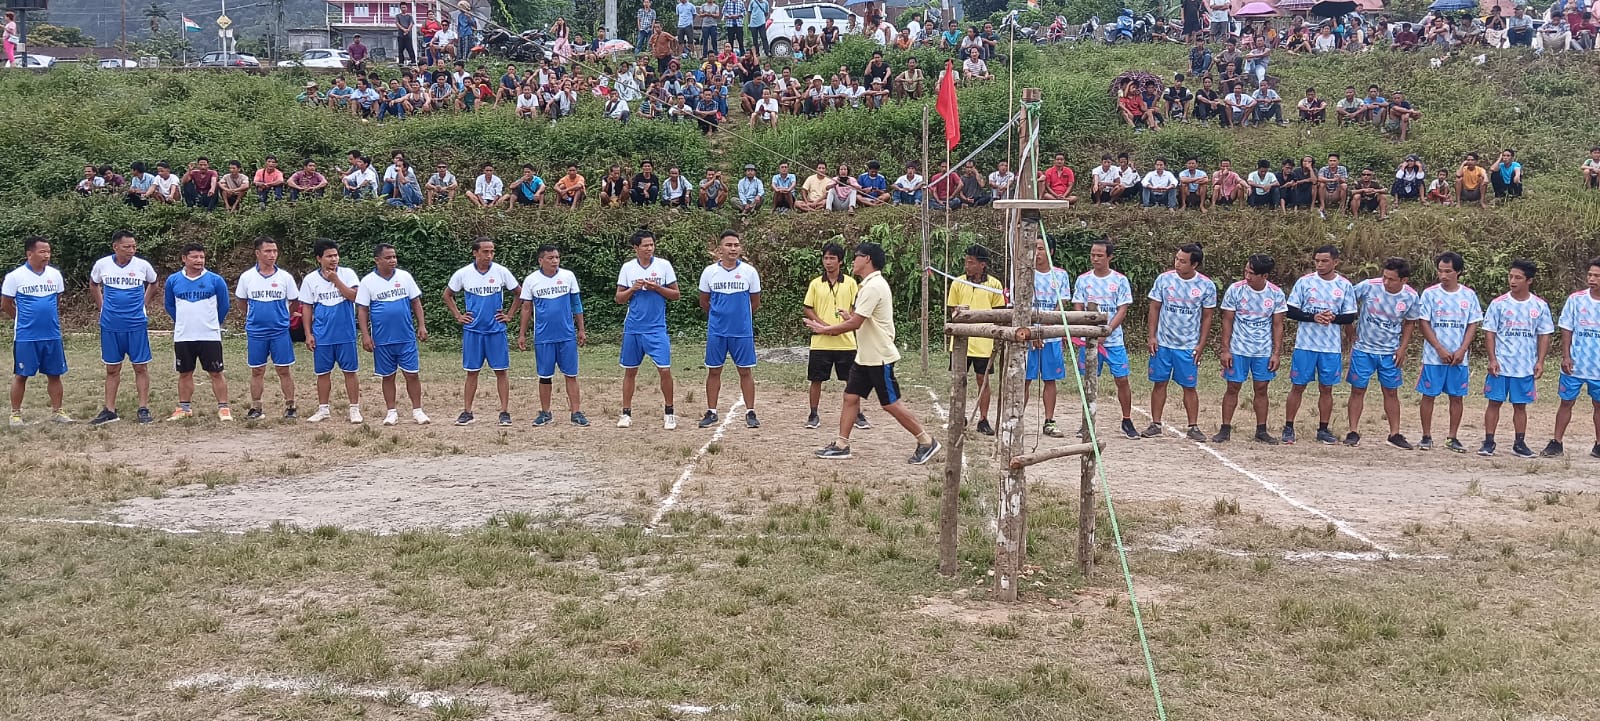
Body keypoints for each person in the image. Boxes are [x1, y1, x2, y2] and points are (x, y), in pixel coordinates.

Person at [810, 243, 940, 464]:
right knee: (850, 397)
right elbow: (859, 319)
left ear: (867, 259)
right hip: (865, 357)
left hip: (879, 356)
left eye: (856, 257)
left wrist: (824, 330)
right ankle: (842, 445)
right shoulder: (868, 285)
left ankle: (926, 441)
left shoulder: (873, 286)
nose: (852, 261)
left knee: (890, 403)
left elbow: (856, 324)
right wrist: (846, 317)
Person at [1342, 258, 1421, 449]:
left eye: (1391, 279)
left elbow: (1410, 322)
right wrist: (1349, 329)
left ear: (1404, 280)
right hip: (1363, 349)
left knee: (1391, 392)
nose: (1386, 282)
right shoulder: (1368, 286)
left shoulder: (1411, 296)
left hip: (1389, 352)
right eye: (1384, 277)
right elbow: (1347, 302)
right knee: (1358, 389)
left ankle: (1394, 434)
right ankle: (1353, 431)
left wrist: (1402, 348)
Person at [1140, 244, 1216, 440]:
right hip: (1163, 343)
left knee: (1189, 386)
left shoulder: (1206, 286)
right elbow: (1154, 308)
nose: (1177, 263)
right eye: (1176, 259)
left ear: (1195, 264)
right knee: (1159, 383)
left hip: (1188, 345)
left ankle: (1193, 426)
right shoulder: (1164, 280)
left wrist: (1200, 344)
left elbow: (1207, 317)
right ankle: (1155, 424)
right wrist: (1152, 336)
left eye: (1183, 261)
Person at [1479, 260, 1554, 458]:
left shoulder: (1539, 306)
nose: (1512, 281)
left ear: (1529, 280)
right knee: (1494, 402)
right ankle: (1488, 442)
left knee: (1520, 405)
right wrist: (1492, 358)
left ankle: (1519, 443)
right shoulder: (1499, 304)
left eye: (1518, 277)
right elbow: (1490, 333)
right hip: (1501, 365)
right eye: (1511, 276)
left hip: (1524, 366)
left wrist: (1540, 361)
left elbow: (1544, 334)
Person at [1282, 246, 1356, 445]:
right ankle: (1288, 427)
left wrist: (1334, 317)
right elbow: (1290, 310)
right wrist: (1312, 317)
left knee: (1327, 388)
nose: (1320, 265)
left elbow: (1350, 315)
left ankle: (1323, 429)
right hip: (1305, 345)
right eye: (1317, 261)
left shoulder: (1344, 286)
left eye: (1324, 261)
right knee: (1298, 386)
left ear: (1335, 262)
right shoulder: (1305, 282)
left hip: (1330, 347)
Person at [509, 245, 588, 428]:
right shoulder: (531, 280)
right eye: (551, 258)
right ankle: (545, 413)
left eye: (557, 257)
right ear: (541, 260)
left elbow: (576, 304)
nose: (555, 261)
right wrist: (522, 334)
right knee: (545, 376)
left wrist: (581, 329)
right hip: (543, 337)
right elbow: (526, 308)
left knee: (571, 374)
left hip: (566, 336)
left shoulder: (568, 276)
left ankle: (576, 412)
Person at [444, 238, 519, 427]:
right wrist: (458, 316)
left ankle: (504, 412)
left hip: (496, 330)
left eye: (492, 251)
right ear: (475, 253)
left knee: (501, 371)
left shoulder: (501, 271)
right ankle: (467, 412)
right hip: (473, 331)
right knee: (472, 372)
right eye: (485, 251)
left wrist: (509, 315)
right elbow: (447, 295)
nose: (489, 255)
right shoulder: (463, 273)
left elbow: (520, 293)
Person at [88, 231, 160, 426]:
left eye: (134, 246)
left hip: (136, 324)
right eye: (127, 247)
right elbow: (93, 284)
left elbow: (154, 283)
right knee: (112, 368)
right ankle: (110, 410)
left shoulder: (142, 266)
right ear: (115, 247)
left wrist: (143, 305)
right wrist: (102, 306)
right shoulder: (102, 264)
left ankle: (143, 408)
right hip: (111, 325)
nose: (131, 250)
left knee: (140, 367)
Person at [1213, 254, 1286, 444]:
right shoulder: (1235, 290)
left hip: (1262, 350)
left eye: (1252, 273)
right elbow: (1227, 321)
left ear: (1264, 276)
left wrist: (1276, 353)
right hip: (1238, 349)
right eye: (1245, 271)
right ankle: (1225, 428)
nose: (1247, 276)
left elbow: (1278, 325)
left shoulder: (1276, 294)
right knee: (1232, 387)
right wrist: (1225, 349)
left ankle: (1261, 430)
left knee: (1261, 389)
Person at [1415, 251, 1482, 453]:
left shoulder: (1468, 295)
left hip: (1458, 358)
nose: (1443, 275)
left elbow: (1472, 324)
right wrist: (1439, 348)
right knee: (1428, 395)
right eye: (1440, 271)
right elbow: (1423, 323)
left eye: (1448, 271)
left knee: (1456, 396)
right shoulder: (1430, 294)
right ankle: (1426, 436)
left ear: (1458, 272)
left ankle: (1452, 437)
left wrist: (1462, 349)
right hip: (1434, 357)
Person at [356, 244, 430, 426]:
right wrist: (365, 335)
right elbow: (363, 310)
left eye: (394, 257)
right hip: (382, 339)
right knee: (388, 376)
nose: (393, 261)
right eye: (388, 258)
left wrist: (421, 325)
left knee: (412, 375)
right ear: (377, 260)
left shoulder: (405, 277)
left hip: (406, 337)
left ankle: (418, 411)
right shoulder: (368, 281)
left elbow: (416, 302)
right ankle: (391, 412)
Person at [1073, 240, 1138, 439]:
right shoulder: (1083, 280)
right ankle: (1086, 422)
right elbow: (1078, 306)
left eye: (1100, 255)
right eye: (1093, 254)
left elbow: (1122, 309)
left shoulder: (1120, 280)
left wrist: (1107, 331)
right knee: (1088, 381)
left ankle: (1127, 420)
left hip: (1113, 341)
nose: (1095, 259)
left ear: (1109, 257)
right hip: (1089, 340)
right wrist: (1088, 330)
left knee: (1122, 379)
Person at [616, 229, 680, 430]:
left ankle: (669, 413)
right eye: (645, 245)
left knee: (664, 370)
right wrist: (633, 289)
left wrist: (657, 288)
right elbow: (619, 298)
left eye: (652, 245)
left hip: (656, 328)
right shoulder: (628, 268)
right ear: (636, 248)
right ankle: (626, 413)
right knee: (630, 371)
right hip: (633, 328)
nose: (649, 248)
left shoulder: (664, 266)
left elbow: (676, 294)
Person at [697, 231, 761, 429]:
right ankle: (712, 411)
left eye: (736, 245)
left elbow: (755, 302)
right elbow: (704, 301)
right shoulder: (709, 272)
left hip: (742, 331)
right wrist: (720, 316)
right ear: (719, 250)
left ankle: (750, 411)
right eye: (729, 245)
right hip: (717, 331)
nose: (733, 248)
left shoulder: (750, 272)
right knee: (714, 370)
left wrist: (739, 317)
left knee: (745, 371)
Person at [4, 237, 71, 426]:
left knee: (55, 374)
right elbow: (6, 304)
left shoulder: (55, 275)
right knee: (21, 375)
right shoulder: (15, 277)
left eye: (48, 251)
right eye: (42, 252)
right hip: (26, 336)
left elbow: (56, 300)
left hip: (52, 334)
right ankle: (15, 414)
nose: (47, 255)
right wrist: (22, 319)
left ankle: (58, 411)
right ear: (29, 254)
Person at [163, 243, 232, 422]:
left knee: (216, 372)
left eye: (202, 257)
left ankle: (224, 408)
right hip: (183, 335)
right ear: (184, 258)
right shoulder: (173, 280)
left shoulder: (215, 280)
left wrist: (213, 324)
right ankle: (184, 408)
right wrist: (182, 322)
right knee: (185, 372)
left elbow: (224, 306)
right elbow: (170, 305)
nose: (199, 261)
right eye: (194, 257)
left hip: (209, 335)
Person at [804, 243, 870, 430]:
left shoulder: (850, 283)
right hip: (820, 342)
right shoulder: (816, 283)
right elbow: (807, 308)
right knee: (816, 379)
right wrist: (822, 326)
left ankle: (857, 413)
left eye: (832, 258)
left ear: (840, 261)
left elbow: (857, 308)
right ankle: (813, 413)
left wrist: (843, 325)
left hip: (846, 342)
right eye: (825, 258)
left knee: (852, 380)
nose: (828, 262)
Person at [234, 236, 299, 420]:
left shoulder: (285, 277)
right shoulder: (247, 277)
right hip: (256, 332)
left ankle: (290, 406)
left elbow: (294, 301)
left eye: (275, 251)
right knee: (257, 370)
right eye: (268, 251)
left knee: (284, 369)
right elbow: (241, 301)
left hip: (279, 331)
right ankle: (256, 407)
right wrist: (254, 316)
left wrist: (284, 317)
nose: (272, 255)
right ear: (257, 253)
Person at [299, 239, 362, 424]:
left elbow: (354, 296)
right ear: (319, 258)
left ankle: (354, 409)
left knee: (350, 371)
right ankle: (323, 409)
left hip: (345, 333)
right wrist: (308, 334)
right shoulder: (310, 280)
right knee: (323, 373)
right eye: (329, 256)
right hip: (322, 334)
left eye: (335, 255)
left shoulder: (347, 274)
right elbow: (307, 308)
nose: (334, 259)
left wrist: (336, 280)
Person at [1545, 256, 1600, 458]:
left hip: (1598, 367)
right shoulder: (1576, 300)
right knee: (1566, 402)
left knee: (1598, 405)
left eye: (1597, 276)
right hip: (1576, 363)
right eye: (1590, 275)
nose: (1592, 279)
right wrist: (1566, 356)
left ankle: (1598, 444)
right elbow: (1567, 328)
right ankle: (1556, 442)